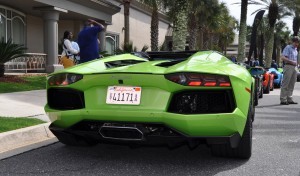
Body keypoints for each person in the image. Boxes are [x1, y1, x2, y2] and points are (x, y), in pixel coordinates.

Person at [279, 36, 299, 105]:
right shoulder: (288, 47)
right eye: (295, 42)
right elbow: (283, 57)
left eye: (297, 42)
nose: (297, 44)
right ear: (292, 42)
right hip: (288, 66)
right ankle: (283, 99)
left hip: (295, 67)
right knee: (286, 83)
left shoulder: (296, 50)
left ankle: (289, 98)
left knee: (292, 84)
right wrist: (291, 61)